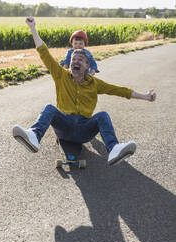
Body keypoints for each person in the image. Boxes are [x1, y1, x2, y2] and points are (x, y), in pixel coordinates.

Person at [13, 17, 156, 166]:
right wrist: (33, 28)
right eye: (73, 59)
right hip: (64, 126)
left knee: (102, 116)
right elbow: (44, 52)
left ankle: (113, 148)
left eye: (80, 60)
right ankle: (33, 136)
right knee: (49, 108)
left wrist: (145, 96)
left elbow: (121, 91)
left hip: (84, 131)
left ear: (87, 66)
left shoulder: (95, 83)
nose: (75, 61)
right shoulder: (61, 75)